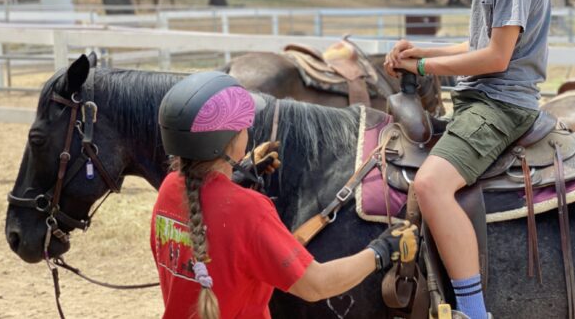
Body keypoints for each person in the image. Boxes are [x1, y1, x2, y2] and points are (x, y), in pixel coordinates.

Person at [385, 0, 551, 318]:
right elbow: (478, 43)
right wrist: (417, 50)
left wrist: (424, 66)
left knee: (431, 185)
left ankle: (474, 312)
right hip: (478, 97)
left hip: (503, 102)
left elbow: (496, 58)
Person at [151, 71, 417, 319]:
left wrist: (237, 176)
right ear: (228, 141)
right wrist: (382, 250)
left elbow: (211, 243)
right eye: (244, 127)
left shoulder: (168, 190)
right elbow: (317, 285)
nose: (248, 132)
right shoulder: (249, 209)